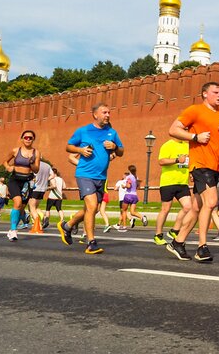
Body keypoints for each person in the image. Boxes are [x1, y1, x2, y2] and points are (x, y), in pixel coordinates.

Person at [165, 82, 219, 263]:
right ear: (205, 94)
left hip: (215, 167)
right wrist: (194, 137)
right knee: (211, 201)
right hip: (200, 164)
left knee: (197, 207)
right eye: (215, 92)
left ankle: (178, 242)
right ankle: (202, 246)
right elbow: (173, 129)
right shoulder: (195, 110)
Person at [59, 103, 124, 254]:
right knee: (92, 205)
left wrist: (114, 147)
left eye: (109, 112)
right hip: (84, 174)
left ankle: (67, 226)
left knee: (91, 210)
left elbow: (121, 152)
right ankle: (91, 242)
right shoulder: (83, 131)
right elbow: (68, 147)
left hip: (101, 177)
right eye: (104, 112)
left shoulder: (112, 132)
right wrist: (80, 149)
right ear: (95, 115)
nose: (108, 115)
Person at [152, 137, 191, 245]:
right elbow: (161, 161)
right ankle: (158, 235)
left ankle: (174, 230)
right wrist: (177, 160)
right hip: (168, 182)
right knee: (165, 209)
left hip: (183, 183)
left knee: (188, 207)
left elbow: (189, 162)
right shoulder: (167, 145)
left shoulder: (187, 146)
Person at [3, 130, 41, 241]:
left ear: (33, 139)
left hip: (27, 182)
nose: (28, 139)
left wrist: (32, 163)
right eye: (26, 137)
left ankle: (13, 228)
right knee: (18, 202)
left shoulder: (36, 153)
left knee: (22, 208)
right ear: (22, 139)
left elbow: (36, 170)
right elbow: (5, 161)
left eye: (30, 138)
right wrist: (8, 167)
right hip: (15, 180)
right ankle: (13, 230)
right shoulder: (15, 151)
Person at [28, 158, 53, 232]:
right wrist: (46, 180)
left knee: (31, 208)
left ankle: (37, 225)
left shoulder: (34, 165)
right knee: (35, 207)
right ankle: (44, 217)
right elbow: (53, 175)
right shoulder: (47, 165)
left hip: (34, 188)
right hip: (43, 189)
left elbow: (30, 175)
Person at [119, 165, 147, 230]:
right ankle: (142, 217)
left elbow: (128, 186)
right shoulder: (136, 177)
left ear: (129, 170)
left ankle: (124, 226)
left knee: (124, 210)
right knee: (132, 212)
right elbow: (138, 187)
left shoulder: (129, 177)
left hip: (128, 195)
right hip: (134, 196)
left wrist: (124, 186)